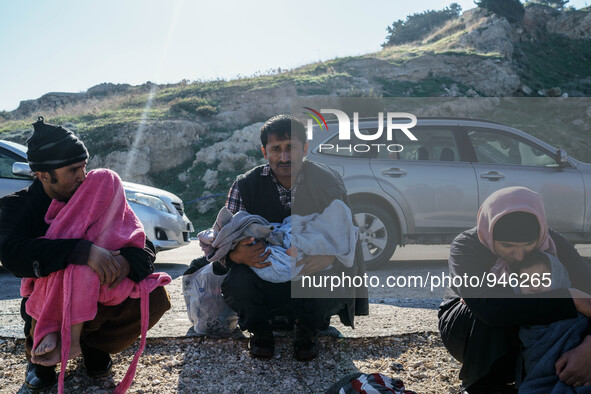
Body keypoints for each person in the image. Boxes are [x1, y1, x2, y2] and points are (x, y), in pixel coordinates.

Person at [0, 117, 171, 392]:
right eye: (72, 170)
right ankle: (41, 358)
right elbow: (10, 253)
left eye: (84, 167)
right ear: (44, 175)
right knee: (48, 293)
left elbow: (142, 242)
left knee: (155, 295)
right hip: (47, 304)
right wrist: (82, 252)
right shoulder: (17, 206)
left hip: (101, 295)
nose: (82, 176)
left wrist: (124, 263)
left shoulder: (95, 192)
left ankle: (94, 347)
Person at [220, 114, 368, 361]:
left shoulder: (328, 180)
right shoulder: (244, 185)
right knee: (236, 280)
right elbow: (223, 237)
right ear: (264, 152)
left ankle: (307, 331)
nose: (284, 157)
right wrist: (235, 254)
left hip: (311, 274)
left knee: (335, 278)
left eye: (291, 147)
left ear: (305, 149)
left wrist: (329, 254)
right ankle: (261, 332)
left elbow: (347, 233)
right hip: (264, 272)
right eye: (276, 149)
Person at [438, 186, 591, 393]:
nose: (519, 256)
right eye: (508, 246)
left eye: (528, 245)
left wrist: (588, 349)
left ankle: (544, 373)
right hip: (472, 333)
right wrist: (568, 298)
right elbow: (490, 309)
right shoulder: (467, 246)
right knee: (492, 305)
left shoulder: (555, 242)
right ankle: (483, 383)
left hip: (542, 336)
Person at [512, 251, 589, 393]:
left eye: (543, 279)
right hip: (538, 380)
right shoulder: (522, 318)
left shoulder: (577, 311)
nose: (535, 286)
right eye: (527, 282)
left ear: (558, 278)